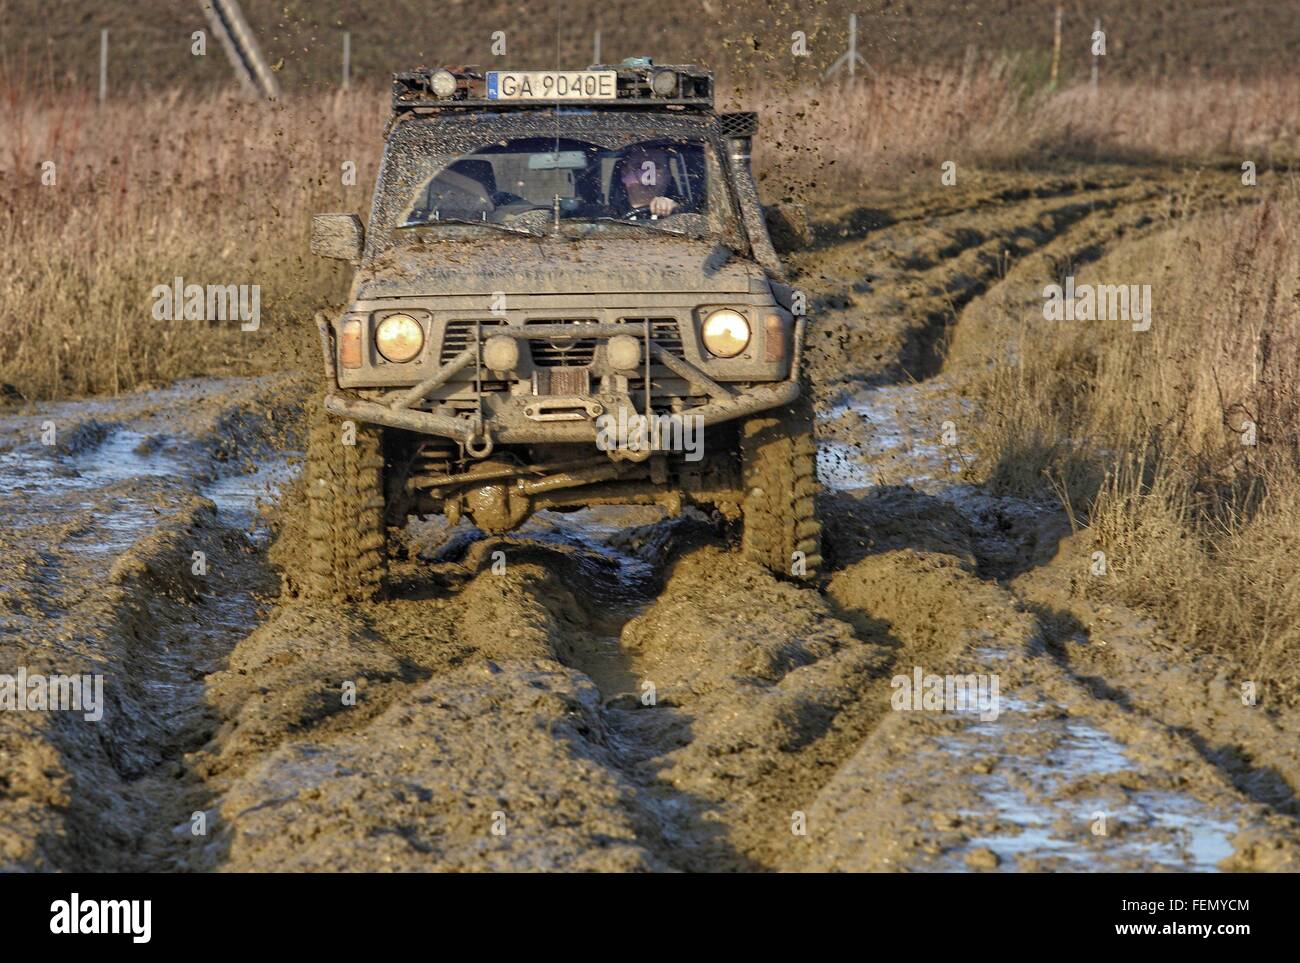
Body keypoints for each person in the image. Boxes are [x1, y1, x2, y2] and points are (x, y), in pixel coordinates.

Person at [614, 144, 679, 218]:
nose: (647, 176)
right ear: (624, 174)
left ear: (668, 176)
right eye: (638, 167)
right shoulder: (608, 217)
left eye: (656, 167)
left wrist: (677, 211)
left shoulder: (683, 212)